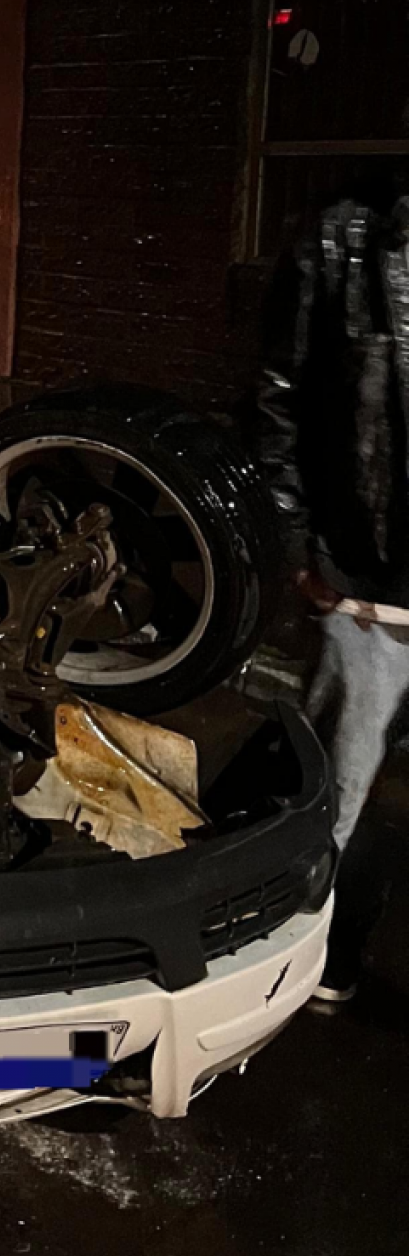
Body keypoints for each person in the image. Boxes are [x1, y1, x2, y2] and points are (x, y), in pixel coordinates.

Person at [255, 183, 409, 1005]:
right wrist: (299, 556)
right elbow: (276, 400)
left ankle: (339, 946)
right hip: (364, 591)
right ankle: (302, 956)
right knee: (338, 792)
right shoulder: (342, 245)